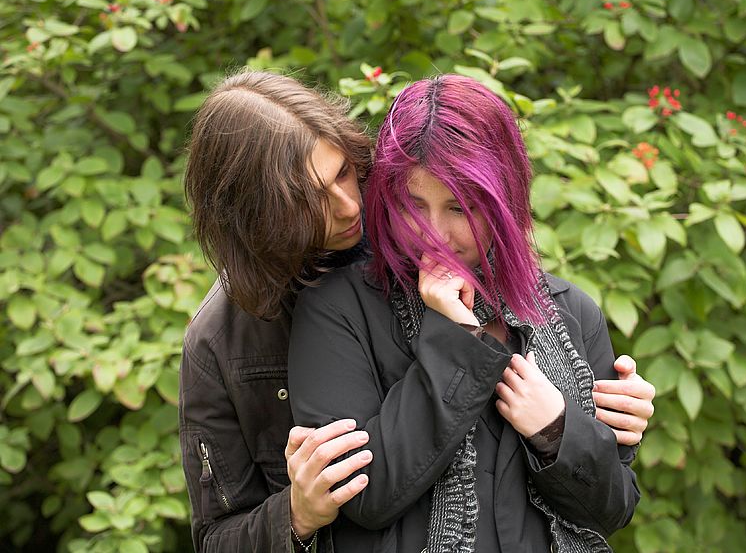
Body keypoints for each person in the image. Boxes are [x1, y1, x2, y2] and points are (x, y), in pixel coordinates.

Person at [180, 70, 655, 552]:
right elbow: (221, 534)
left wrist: (580, 427)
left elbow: (610, 500)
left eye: (345, 172)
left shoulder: (543, 301)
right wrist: (296, 514)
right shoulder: (228, 337)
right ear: (254, 215)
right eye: (308, 198)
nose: (349, 207)